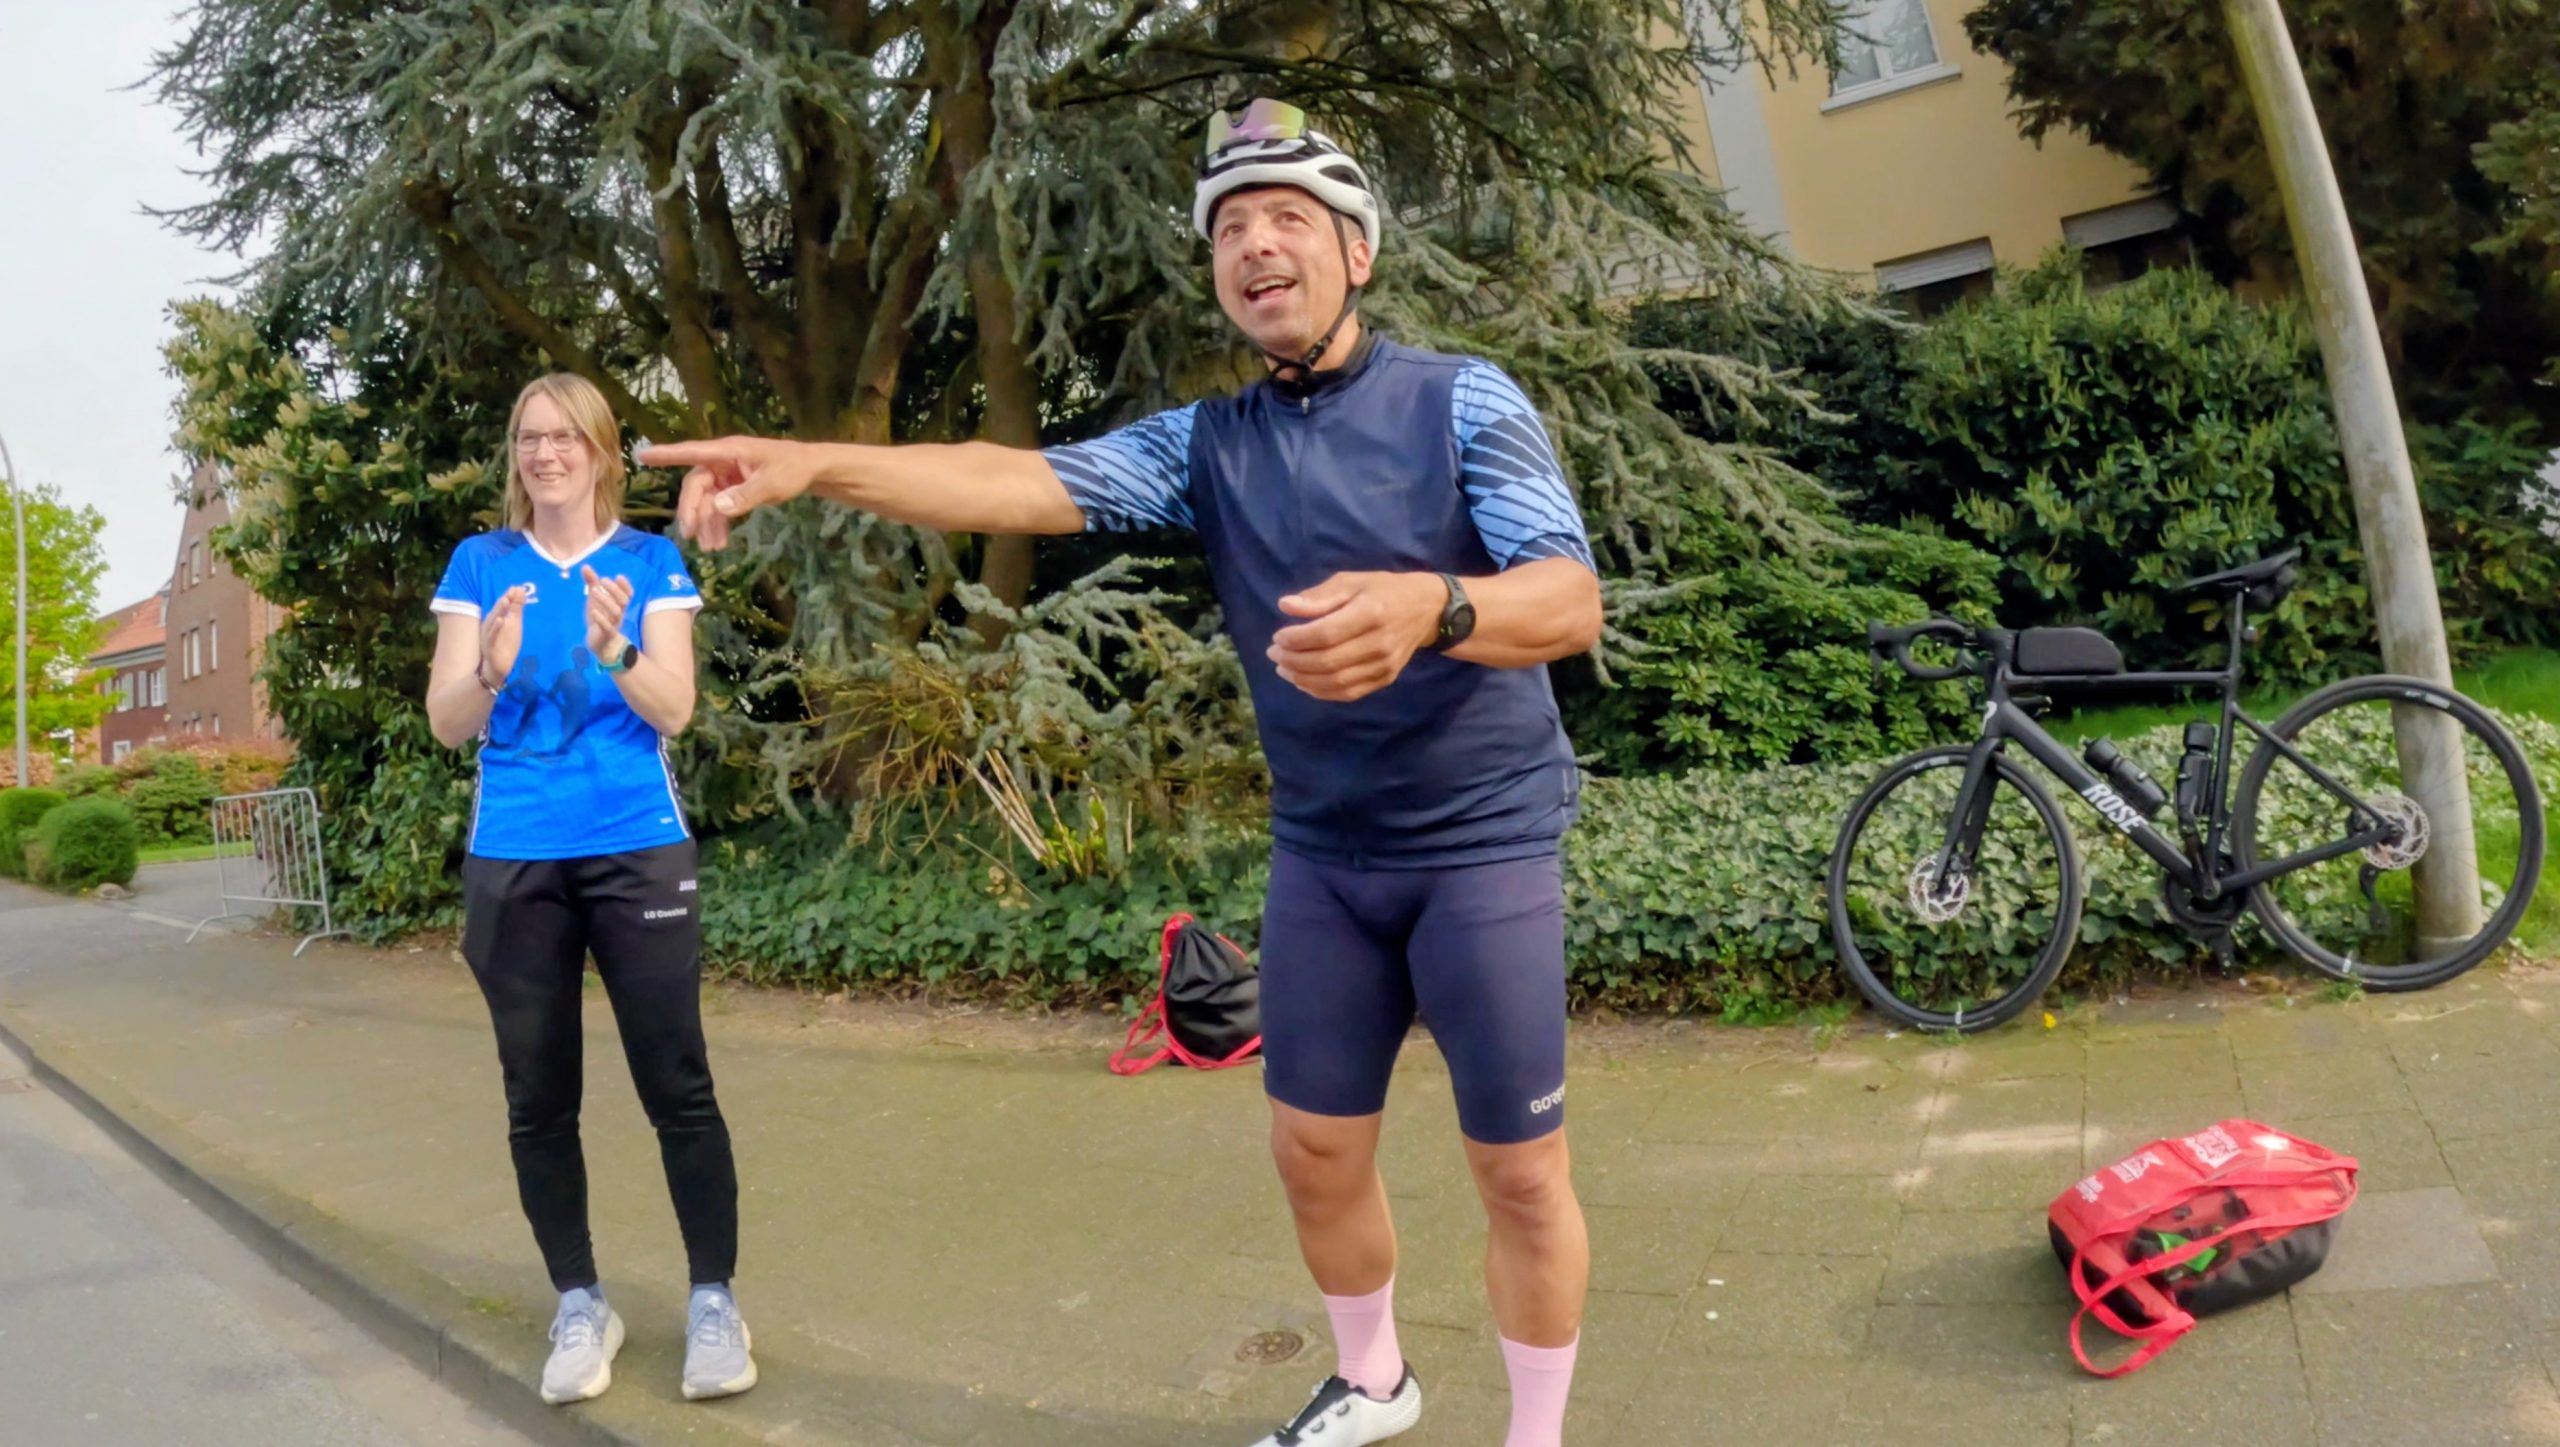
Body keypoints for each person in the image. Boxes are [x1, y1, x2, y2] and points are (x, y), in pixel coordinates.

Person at [646, 99, 1599, 1447]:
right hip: (1327, 854)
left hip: (1484, 844)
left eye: (1288, 219)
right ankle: (1377, 1379)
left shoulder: (1462, 401)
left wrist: (1437, 607)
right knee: (1314, 1147)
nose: (1257, 245)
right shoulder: (1210, 447)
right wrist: (814, 464)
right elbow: (1017, 478)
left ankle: (1538, 1432)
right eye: (1232, 228)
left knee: (1517, 1169)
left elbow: (1567, 598)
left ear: (1357, 253)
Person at [425, 373, 757, 1407]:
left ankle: (713, 1302)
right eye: (528, 436)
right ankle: (580, 1301)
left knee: (678, 1083)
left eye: (565, 436)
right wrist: (488, 667)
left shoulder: (648, 561)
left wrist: (613, 646)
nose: (545, 452)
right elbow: (446, 721)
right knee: (537, 1096)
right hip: (514, 854)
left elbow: (676, 708)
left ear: (603, 451)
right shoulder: (481, 564)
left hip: (634, 848)